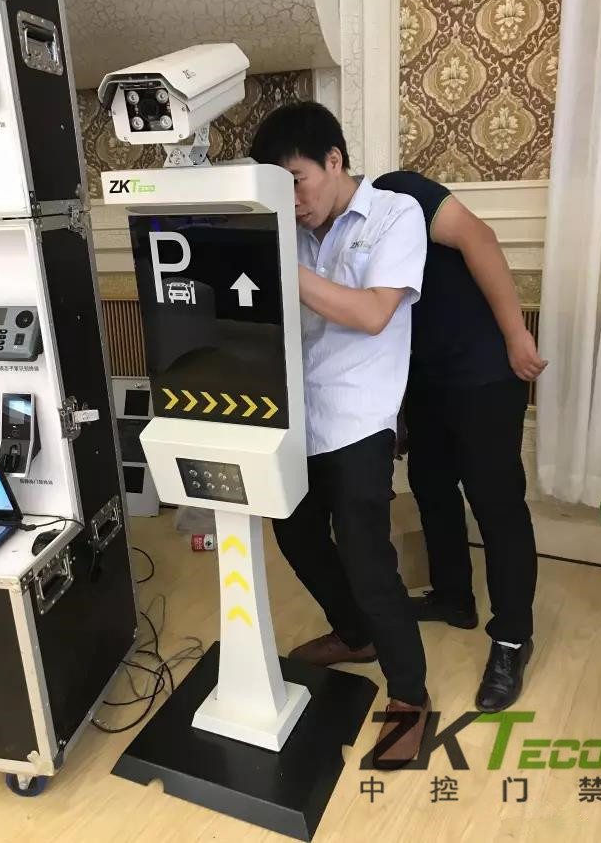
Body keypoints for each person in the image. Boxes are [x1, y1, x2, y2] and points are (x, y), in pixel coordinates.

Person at [250, 103, 430, 769]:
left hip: (360, 416)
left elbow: (374, 313)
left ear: (334, 160)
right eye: (279, 188)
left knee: (366, 558)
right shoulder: (290, 228)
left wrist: (282, 264)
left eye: (297, 180)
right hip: (299, 414)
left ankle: (410, 696)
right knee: (294, 535)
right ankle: (355, 634)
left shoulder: (394, 215)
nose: (293, 200)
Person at [374, 170, 547, 713]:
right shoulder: (327, 240)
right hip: (425, 381)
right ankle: (454, 598)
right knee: (430, 487)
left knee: (496, 505)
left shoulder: (397, 191)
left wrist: (516, 334)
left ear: (333, 164)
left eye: (299, 182)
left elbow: (479, 237)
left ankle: (513, 638)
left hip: (483, 373)